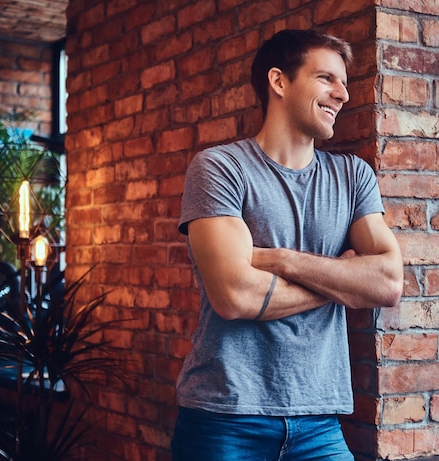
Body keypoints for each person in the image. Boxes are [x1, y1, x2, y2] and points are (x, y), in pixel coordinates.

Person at [172, 29, 403, 461]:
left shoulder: (352, 177)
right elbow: (235, 295)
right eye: (326, 79)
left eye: (344, 82)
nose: (342, 94)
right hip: (225, 418)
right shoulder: (221, 169)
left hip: (320, 422)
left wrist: (280, 260)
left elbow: (387, 283)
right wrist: (343, 278)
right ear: (279, 82)